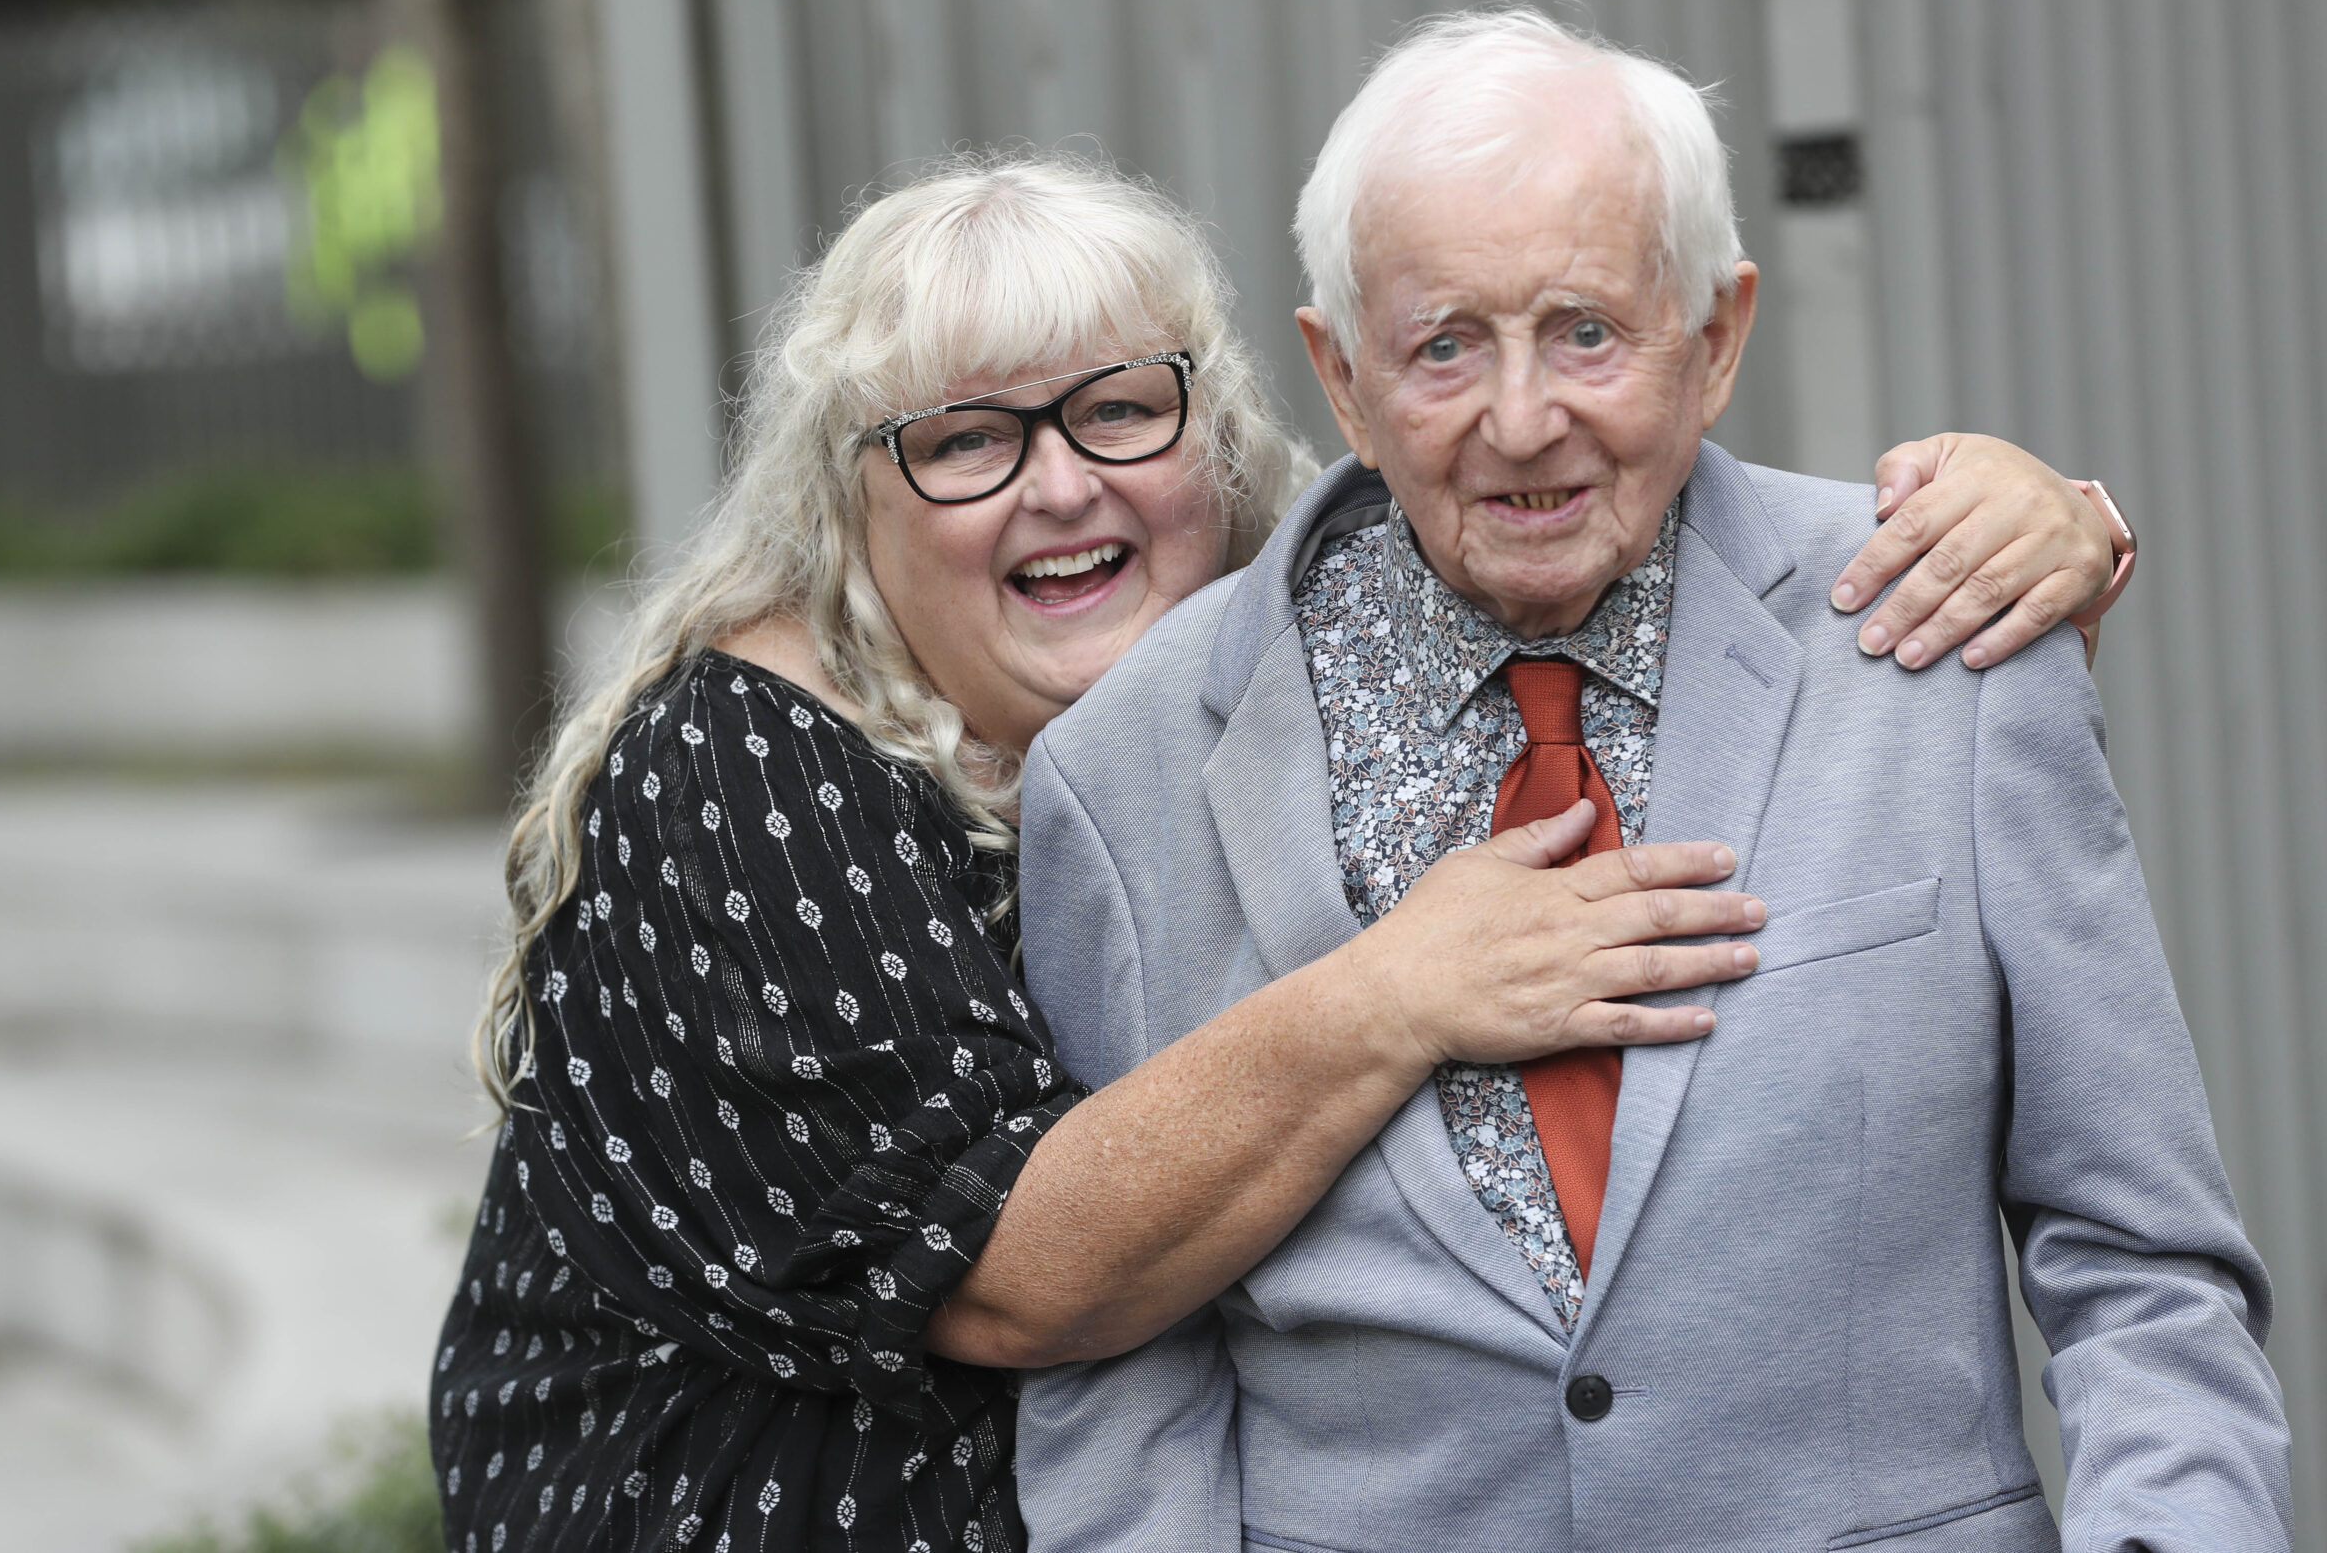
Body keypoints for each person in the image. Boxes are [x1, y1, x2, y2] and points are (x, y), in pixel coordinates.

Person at [428, 144, 2127, 1553]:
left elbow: (1607, 545)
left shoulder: (1286, 659)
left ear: (1225, 430)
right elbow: (1014, 1279)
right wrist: (1394, 993)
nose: (1060, 488)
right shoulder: (738, 768)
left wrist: (2035, 533)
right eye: (964, 439)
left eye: (1119, 409)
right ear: (848, 512)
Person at [1012, 10, 2287, 1551]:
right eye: (1444, 346)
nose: (1523, 418)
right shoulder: (1126, 771)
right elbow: (1121, 1375)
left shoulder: (1946, 636)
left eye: (1588, 332)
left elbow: (2142, 1264)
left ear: (1719, 334)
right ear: (1339, 377)